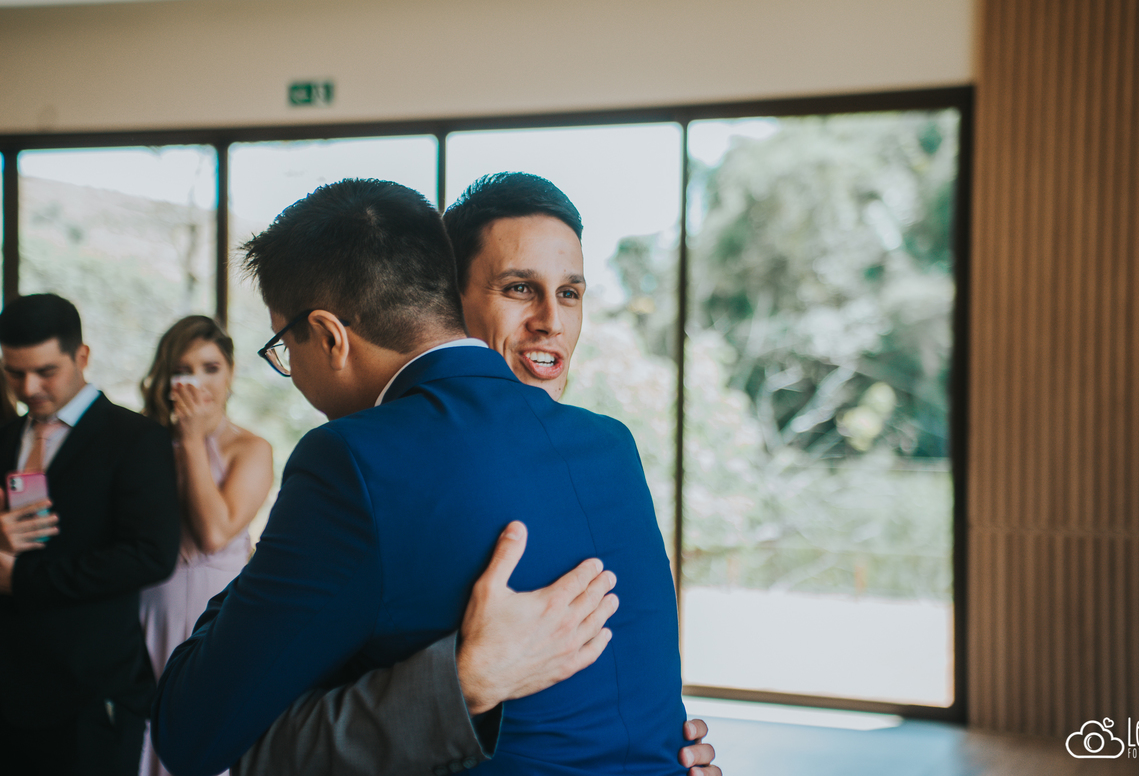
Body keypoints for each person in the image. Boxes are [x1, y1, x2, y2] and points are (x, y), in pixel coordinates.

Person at [151, 178, 689, 776]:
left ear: (330, 337)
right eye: (520, 289)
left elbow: (192, 729)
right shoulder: (611, 445)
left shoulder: (352, 461)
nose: (551, 322)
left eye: (285, 347)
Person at [0, 293, 181, 776]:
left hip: (92, 690)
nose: (29, 386)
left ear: (81, 356)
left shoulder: (135, 439)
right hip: (7, 688)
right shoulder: (4, 436)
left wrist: (19, 578)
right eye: (14, 373)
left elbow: (150, 555)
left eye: (45, 371)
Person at [138, 316, 273, 776]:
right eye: (184, 368)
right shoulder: (145, 445)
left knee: (199, 736)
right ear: (167, 377)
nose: (198, 381)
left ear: (231, 373)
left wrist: (193, 439)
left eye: (211, 367)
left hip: (214, 619)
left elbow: (215, 532)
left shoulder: (251, 449)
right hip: (147, 610)